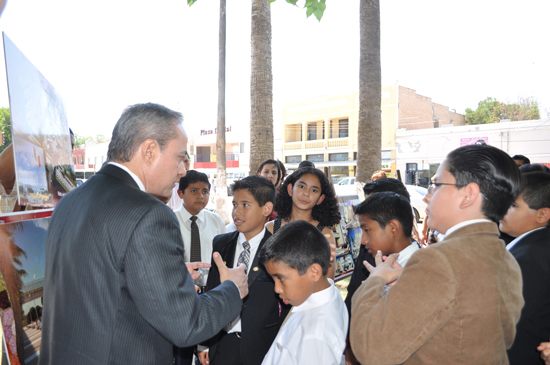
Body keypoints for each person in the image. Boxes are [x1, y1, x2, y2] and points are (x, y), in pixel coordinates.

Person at [39, 103, 249, 365]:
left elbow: (100, 284)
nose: (183, 170)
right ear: (149, 151)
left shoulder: (69, 202)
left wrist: (166, 275)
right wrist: (232, 288)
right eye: (180, 157)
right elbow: (188, 324)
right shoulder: (150, 214)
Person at [350, 144, 524, 364]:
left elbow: (370, 349)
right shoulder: (506, 257)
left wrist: (375, 281)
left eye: (437, 185)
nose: (426, 197)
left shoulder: (438, 260)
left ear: (468, 194)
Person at [197, 175, 290, 365]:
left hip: (261, 346)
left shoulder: (278, 249)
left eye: (245, 205)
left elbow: (286, 303)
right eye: (234, 205)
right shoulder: (221, 243)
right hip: (221, 344)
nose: (236, 212)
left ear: (267, 209)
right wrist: (204, 343)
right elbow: (212, 291)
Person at [344, 182, 417, 365]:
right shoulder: (382, 263)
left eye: (367, 230)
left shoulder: (416, 270)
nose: (363, 240)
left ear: (393, 228)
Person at [259, 220, 348, 365]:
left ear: (314, 272)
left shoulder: (314, 338)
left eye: (281, 278)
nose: (276, 289)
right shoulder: (327, 291)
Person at [499, 171, 550, 364]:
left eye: (512, 205)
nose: (502, 209)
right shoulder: (533, 249)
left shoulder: (529, 259)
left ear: (542, 214)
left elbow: (502, 322)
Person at [265, 167, 341, 278]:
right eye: (301, 186)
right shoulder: (270, 228)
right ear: (290, 189)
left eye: (314, 190)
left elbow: (328, 281)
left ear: (320, 199)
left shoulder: (324, 234)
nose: (306, 193)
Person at [174, 170, 226, 264]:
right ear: (180, 193)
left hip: (210, 278)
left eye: (205, 191)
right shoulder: (170, 219)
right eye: (194, 191)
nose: (200, 196)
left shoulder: (216, 221)